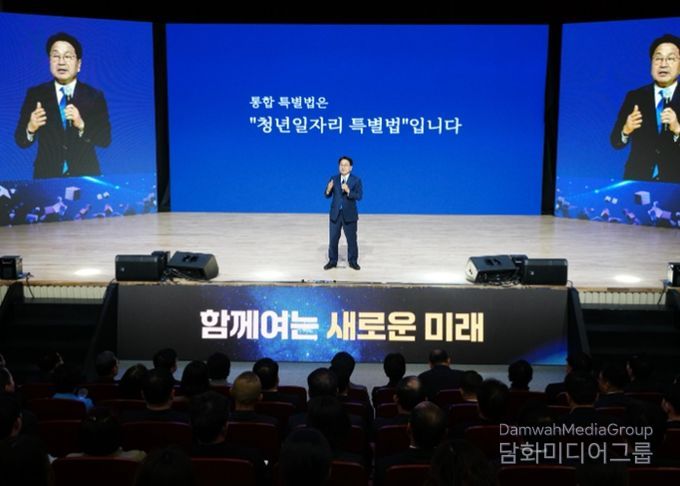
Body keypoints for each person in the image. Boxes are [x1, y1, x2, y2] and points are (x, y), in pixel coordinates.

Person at [14, 32, 111, 179]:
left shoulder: (94, 96)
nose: (61, 62)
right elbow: (21, 141)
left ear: (79, 64)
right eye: (56, 56)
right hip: (47, 178)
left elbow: (105, 140)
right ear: (50, 61)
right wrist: (30, 128)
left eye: (68, 56)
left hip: (86, 176)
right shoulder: (36, 94)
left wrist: (82, 125)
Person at [610, 34, 680, 182]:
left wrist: (677, 129)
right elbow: (615, 141)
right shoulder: (635, 97)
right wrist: (626, 130)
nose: (663, 64)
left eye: (671, 59)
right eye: (658, 58)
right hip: (638, 180)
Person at [324, 155, 363, 270]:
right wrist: (328, 189)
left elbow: (359, 196)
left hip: (349, 215)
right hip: (335, 214)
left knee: (351, 240)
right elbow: (326, 195)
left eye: (346, 165)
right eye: (341, 165)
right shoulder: (334, 179)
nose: (343, 167)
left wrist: (348, 191)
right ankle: (332, 261)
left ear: (351, 167)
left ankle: (353, 261)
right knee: (333, 239)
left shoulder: (356, 180)